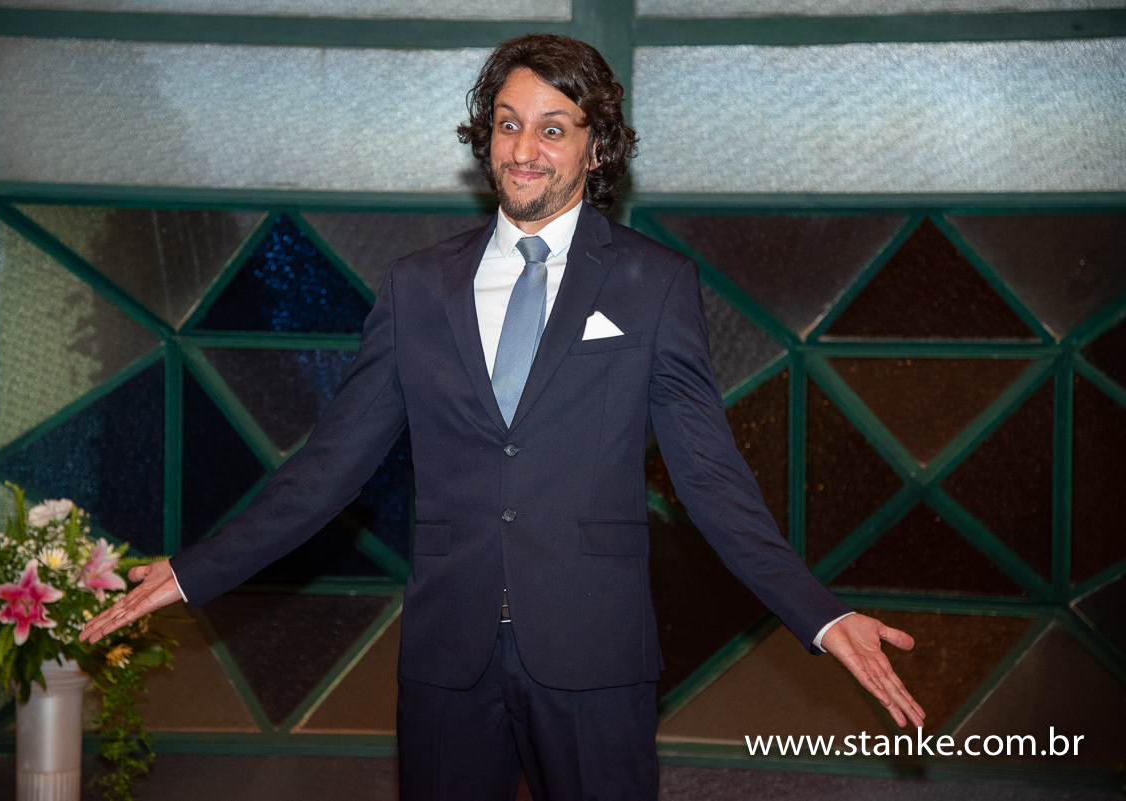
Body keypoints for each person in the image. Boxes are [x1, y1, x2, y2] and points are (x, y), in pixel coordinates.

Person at [82, 33, 924, 801]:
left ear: (597, 149)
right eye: (509, 124)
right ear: (485, 136)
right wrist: (195, 569)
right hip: (449, 659)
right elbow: (328, 464)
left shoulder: (654, 283)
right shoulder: (417, 288)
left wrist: (818, 611)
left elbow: (708, 474)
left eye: (554, 129)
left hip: (596, 657)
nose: (525, 150)